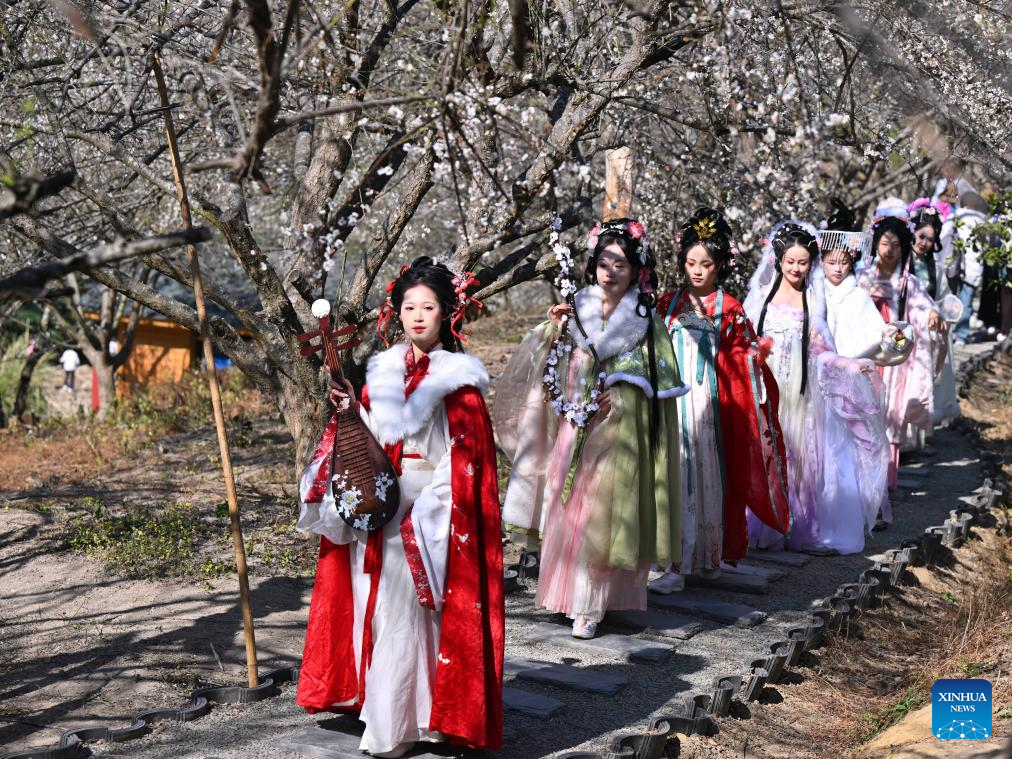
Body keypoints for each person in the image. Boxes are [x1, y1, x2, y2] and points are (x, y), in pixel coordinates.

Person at [295, 257, 504, 757]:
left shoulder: (459, 383)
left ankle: (402, 725)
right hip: (380, 499)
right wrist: (352, 411)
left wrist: (428, 511)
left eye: (428, 307)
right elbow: (372, 439)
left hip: (430, 507)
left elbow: (465, 461)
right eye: (409, 307)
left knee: (411, 611)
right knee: (380, 607)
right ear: (397, 312)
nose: (418, 316)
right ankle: (396, 713)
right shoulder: (383, 372)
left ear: (446, 312)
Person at [497, 219, 684, 639]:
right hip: (575, 424)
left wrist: (623, 395)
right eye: (604, 263)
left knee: (601, 512)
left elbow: (659, 380)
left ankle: (590, 603)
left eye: (621, 264)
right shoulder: (577, 309)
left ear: (636, 270)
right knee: (569, 508)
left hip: (617, 430)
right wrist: (554, 331)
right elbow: (555, 365)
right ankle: (567, 595)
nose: (610, 272)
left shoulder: (645, 320)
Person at [649, 208, 789, 590]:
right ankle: (674, 562)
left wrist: (753, 357)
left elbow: (742, 357)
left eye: (706, 264)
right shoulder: (668, 303)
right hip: (673, 403)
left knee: (709, 476)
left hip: (711, 407)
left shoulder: (730, 309)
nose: (697, 271)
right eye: (691, 263)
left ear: (720, 265)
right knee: (676, 474)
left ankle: (707, 555)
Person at [744, 222, 888, 554]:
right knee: (764, 454)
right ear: (778, 260)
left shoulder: (812, 300)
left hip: (799, 397)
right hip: (765, 391)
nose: (796, 268)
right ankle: (761, 523)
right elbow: (745, 342)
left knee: (799, 460)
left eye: (803, 262)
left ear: (811, 264)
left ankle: (798, 527)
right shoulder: (761, 298)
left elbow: (821, 352)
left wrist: (847, 364)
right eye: (790, 261)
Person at [857, 216, 947, 481]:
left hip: (893, 360)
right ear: (876, 244)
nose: (889, 250)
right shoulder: (862, 278)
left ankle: (885, 480)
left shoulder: (909, 283)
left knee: (889, 410)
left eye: (896, 245)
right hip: (865, 351)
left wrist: (932, 314)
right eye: (885, 243)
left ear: (904, 248)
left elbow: (925, 306)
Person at [908, 198, 961, 426]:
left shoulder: (936, 269)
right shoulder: (900, 262)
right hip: (905, 330)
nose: (925, 243)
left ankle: (920, 433)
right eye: (921, 236)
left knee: (923, 382)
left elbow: (944, 297)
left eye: (930, 239)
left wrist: (945, 311)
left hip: (926, 333)